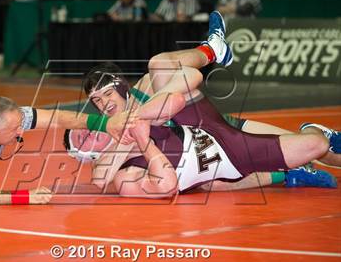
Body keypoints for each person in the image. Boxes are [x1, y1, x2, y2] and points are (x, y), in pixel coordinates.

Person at [64, 11, 340, 197]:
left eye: (106, 93)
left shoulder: (146, 87)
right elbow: (103, 179)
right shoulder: (112, 137)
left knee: (159, 64)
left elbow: (190, 79)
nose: (103, 104)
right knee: (207, 179)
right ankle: (290, 174)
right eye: (96, 101)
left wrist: (141, 116)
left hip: (212, 122)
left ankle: (213, 49)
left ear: (120, 85)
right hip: (203, 152)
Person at [0, 97, 138, 205]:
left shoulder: (6, 117)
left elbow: (57, 118)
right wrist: (26, 197)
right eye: (15, 128)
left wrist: (105, 124)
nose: (22, 129)